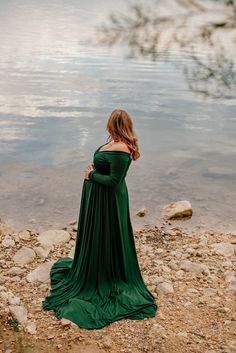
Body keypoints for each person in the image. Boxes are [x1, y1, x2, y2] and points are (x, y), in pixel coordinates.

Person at [42, 109, 158, 329]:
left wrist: (91, 175)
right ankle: (95, 266)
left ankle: (106, 274)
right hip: (99, 198)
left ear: (114, 125)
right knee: (98, 235)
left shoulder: (122, 149)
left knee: (108, 235)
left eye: (109, 125)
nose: (107, 128)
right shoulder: (114, 143)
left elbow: (114, 181)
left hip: (109, 201)